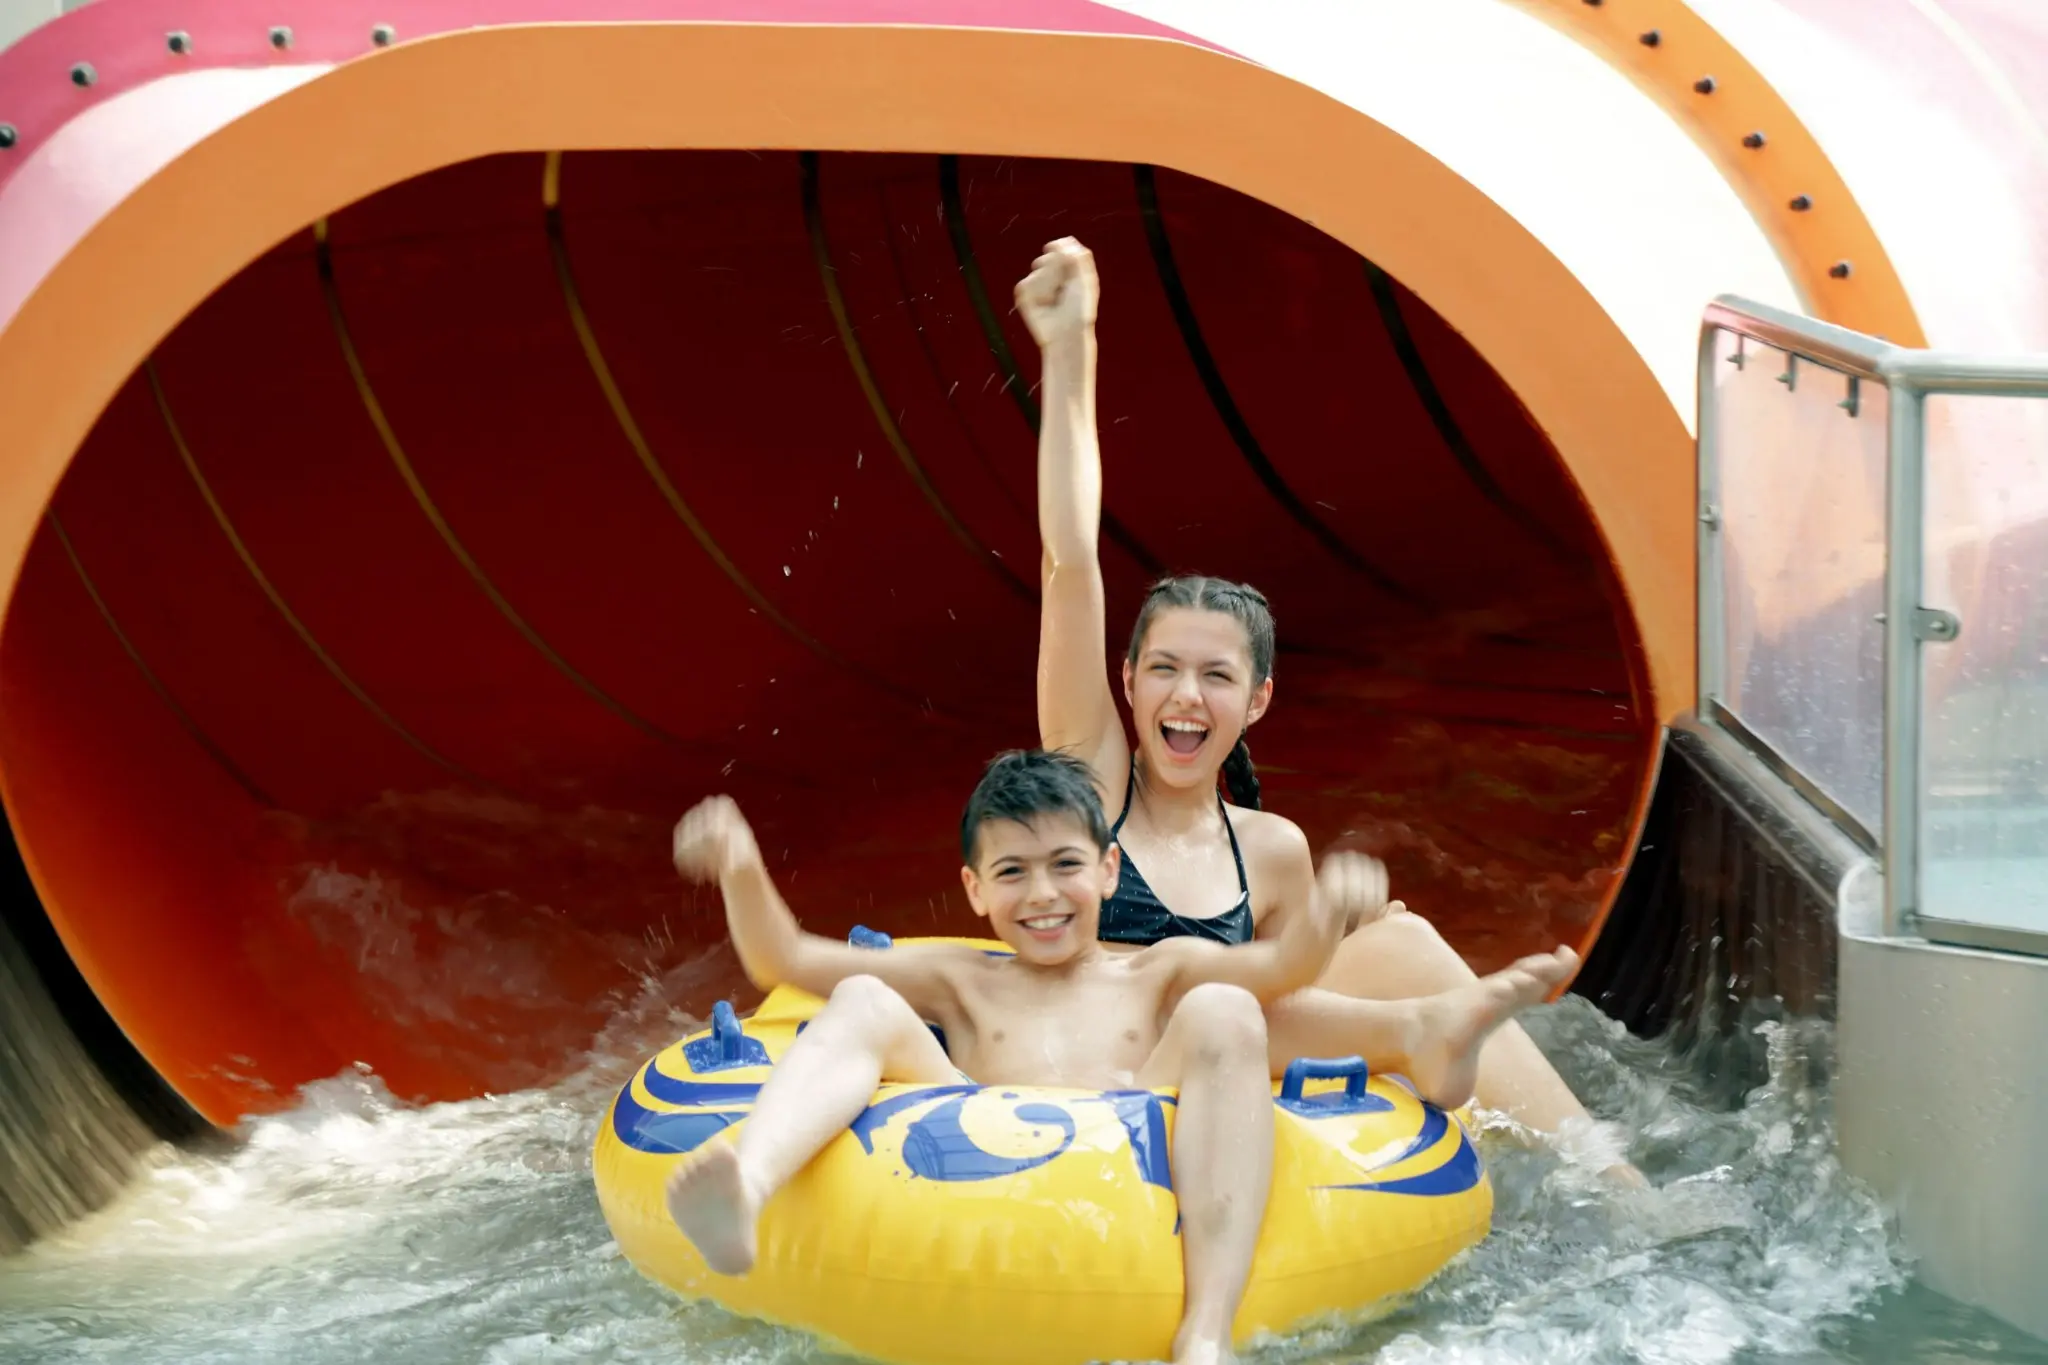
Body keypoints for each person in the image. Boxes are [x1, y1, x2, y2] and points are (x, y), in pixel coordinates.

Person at [663, 750, 1579, 1365]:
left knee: (1227, 1006)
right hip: (972, 1161)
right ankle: (746, 1190)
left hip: (1140, 1119)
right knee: (864, 998)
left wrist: (1333, 909)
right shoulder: (956, 977)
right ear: (974, 891)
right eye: (1012, 873)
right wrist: (742, 864)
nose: (1043, 894)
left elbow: (1284, 968)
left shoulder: (1159, 969)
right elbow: (786, 961)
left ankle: (1206, 1327)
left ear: (1108, 869)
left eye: (1066, 864)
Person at [1016, 235, 1621, 1152]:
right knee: (1285, 974)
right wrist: (1071, 351)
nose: (1187, 697)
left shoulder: (1271, 849)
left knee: (1405, 943)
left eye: (1217, 676)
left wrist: (1339, 913)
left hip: (1227, 1056)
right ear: (1127, 680)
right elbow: (1070, 562)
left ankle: (1606, 1181)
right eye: (1166, 669)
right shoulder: (1092, 783)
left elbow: (1302, 999)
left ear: (1256, 701)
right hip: (1118, 1065)